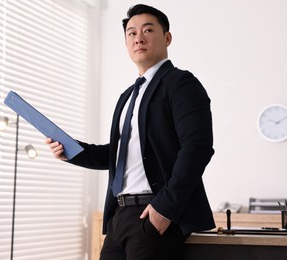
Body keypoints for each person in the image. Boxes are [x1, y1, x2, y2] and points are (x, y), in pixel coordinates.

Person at [46, 4, 214, 260]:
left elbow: (197, 147)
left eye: (148, 30)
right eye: (131, 33)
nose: (139, 38)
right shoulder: (128, 96)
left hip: (155, 213)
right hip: (120, 216)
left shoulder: (181, 84)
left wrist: (164, 209)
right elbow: (118, 155)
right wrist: (71, 151)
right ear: (126, 44)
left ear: (167, 37)